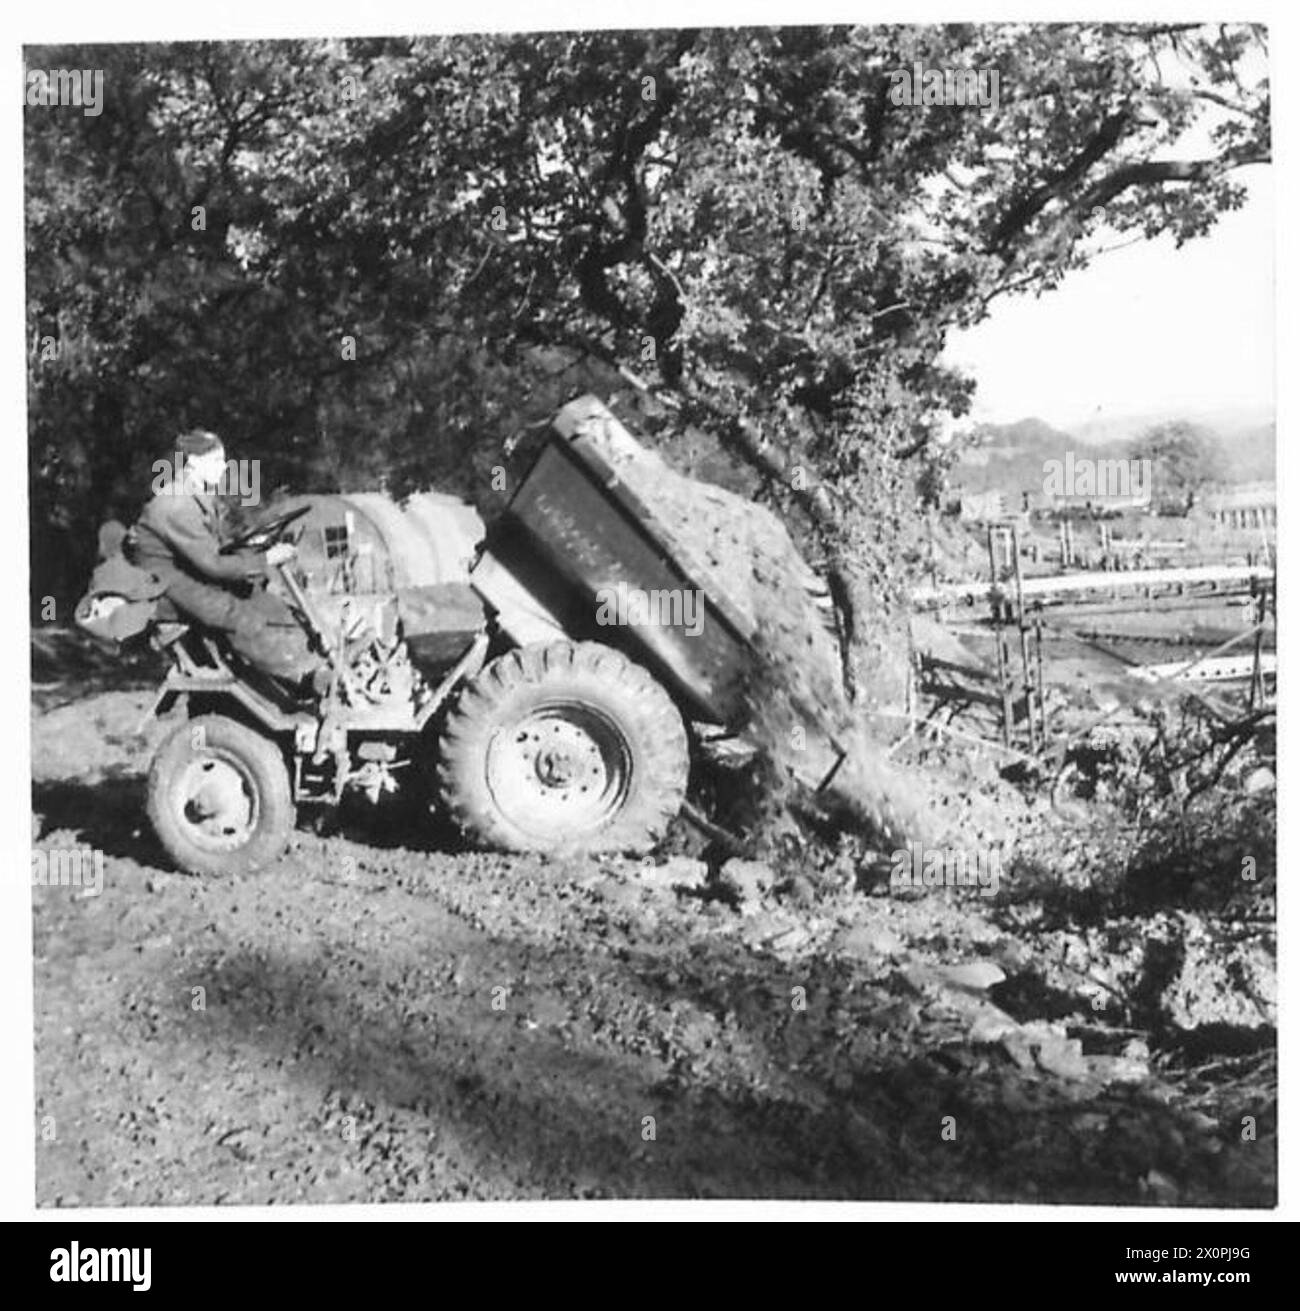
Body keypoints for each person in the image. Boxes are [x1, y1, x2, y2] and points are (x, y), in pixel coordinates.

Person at [127, 429, 323, 689]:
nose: (223, 468)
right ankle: (298, 676)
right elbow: (213, 565)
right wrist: (265, 559)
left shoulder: (197, 493)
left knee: (264, 599)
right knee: (235, 614)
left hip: (185, 569)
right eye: (217, 461)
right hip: (164, 583)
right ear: (195, 463)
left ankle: (306, 662)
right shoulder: (177, 504)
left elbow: (212, 546)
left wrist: (254, 549)